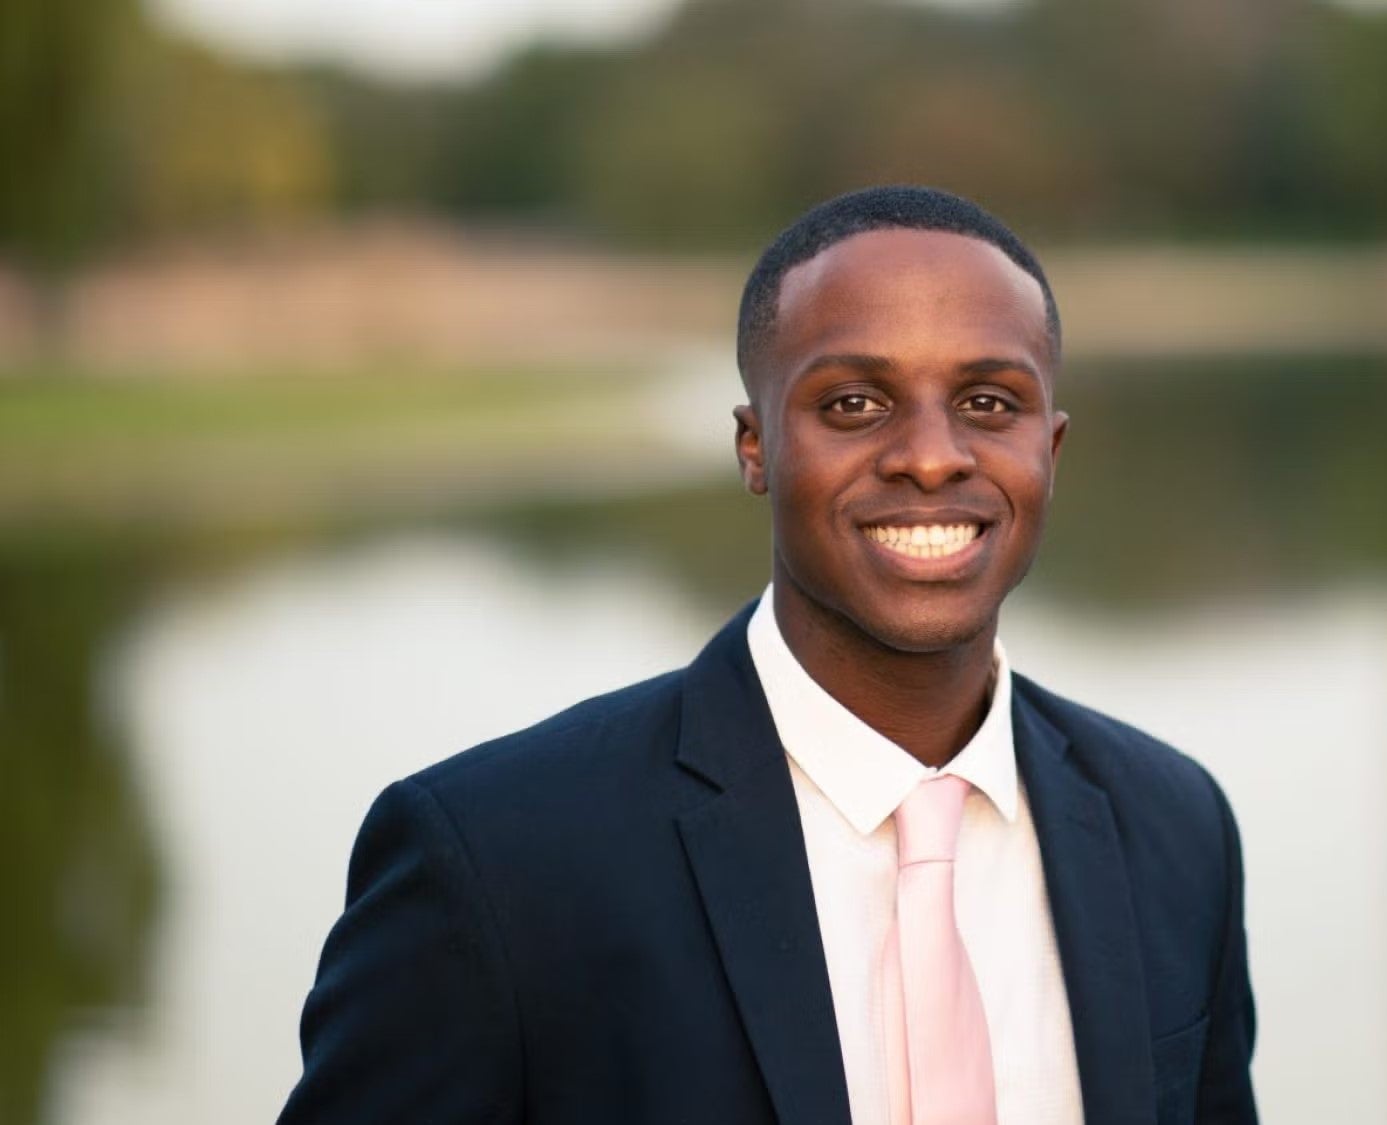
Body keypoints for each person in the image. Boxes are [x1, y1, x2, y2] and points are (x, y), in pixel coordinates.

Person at [278, 185, 1257, 1125]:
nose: (930, 456)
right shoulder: (496, 861)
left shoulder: (1174, 829)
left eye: (988, 403)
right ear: (754, 447)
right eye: (853, 405)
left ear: (1051, 450)